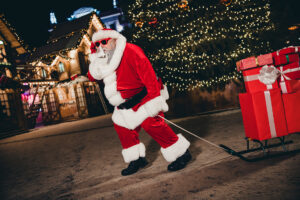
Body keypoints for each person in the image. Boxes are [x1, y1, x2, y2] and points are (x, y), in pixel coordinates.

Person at [88, 28, 191, 176]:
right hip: (123, 103)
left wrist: (154, 100)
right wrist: (93, 59)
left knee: (152, 125)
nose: (101, 46)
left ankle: (182, 153)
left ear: (114, 39)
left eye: (104, 41)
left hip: (143, 97)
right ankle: (137, 159)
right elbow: (93, 76)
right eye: (97, 44)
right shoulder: (103, 58)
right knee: (122, 128)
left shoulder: (131, 51)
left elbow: (148, 74)